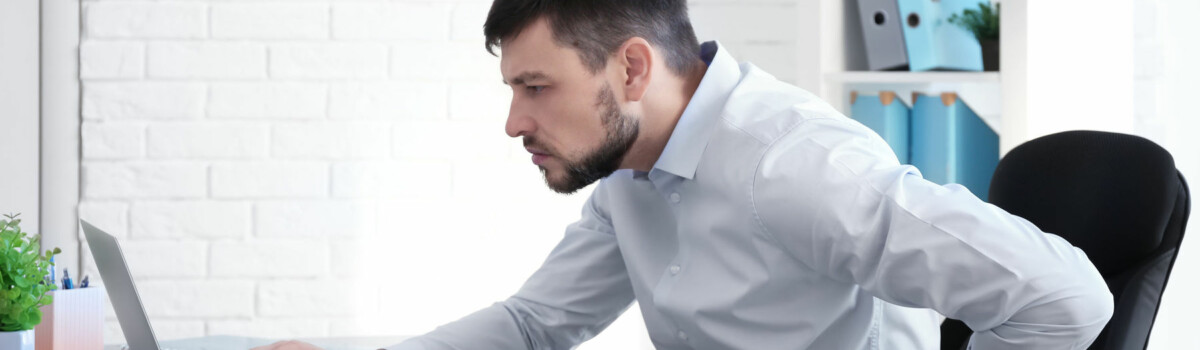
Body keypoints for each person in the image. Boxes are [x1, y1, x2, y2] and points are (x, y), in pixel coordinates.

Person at [255, 1, 1113, 349]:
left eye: (535, 87)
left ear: (631, 70)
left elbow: (1066, 300)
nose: (514, 121)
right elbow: (534, 324)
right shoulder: (632, 167)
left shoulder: (796, 168)